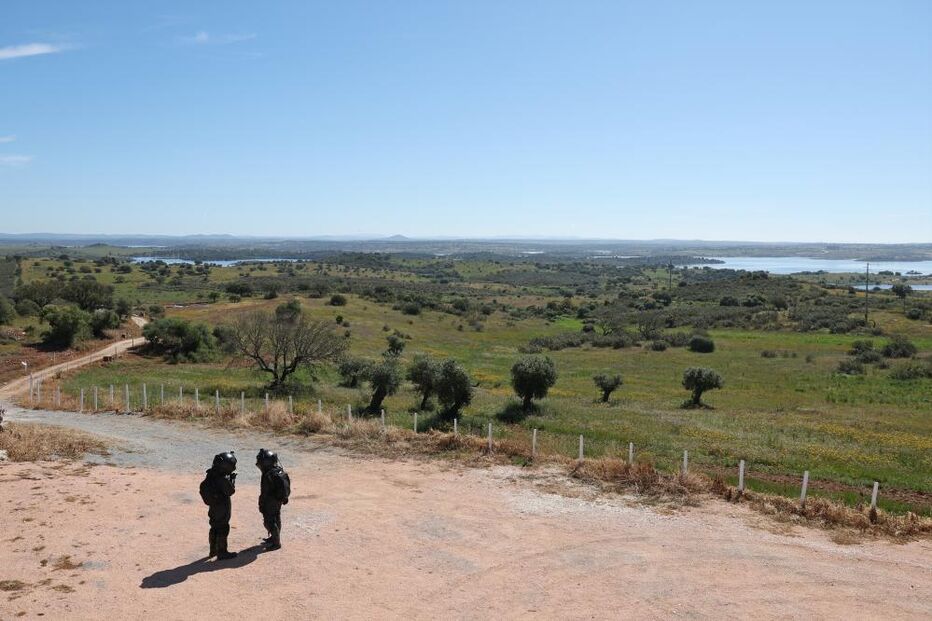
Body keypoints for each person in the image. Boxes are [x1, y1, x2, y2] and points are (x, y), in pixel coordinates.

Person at [199, 451, 238, 560]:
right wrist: (232, 480)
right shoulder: (221, 479)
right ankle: (222, 552)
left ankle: (213, 550)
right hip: (222, 507)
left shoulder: (211, 474)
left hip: (213, 507)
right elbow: (230, 491)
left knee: (214, 527)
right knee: (223, 528)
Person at [256, 448, 291, 551]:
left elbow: (265, 491)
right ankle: (274, 538)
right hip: (277, 500)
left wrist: (262, 503)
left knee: (270, 521)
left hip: (270, 501)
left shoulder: (269, 475)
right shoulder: (278, 470)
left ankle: (276, 543)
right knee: (276, 518)